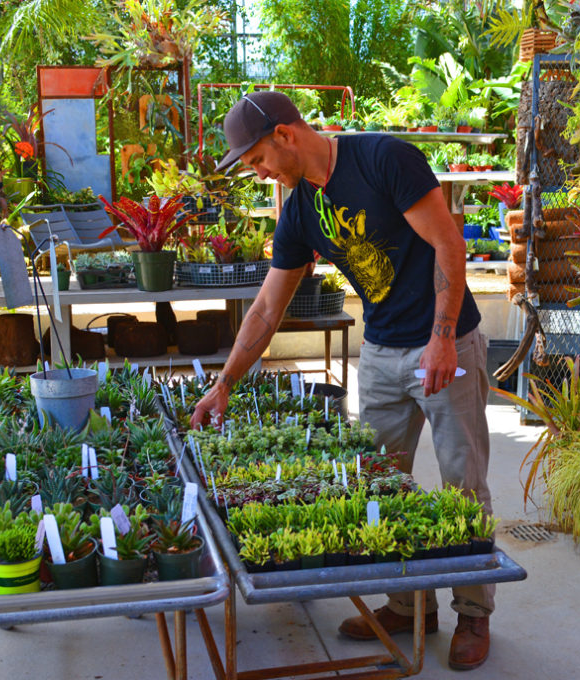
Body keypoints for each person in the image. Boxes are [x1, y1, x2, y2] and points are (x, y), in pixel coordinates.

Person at [191, 91, 494, 670]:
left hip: (444, 339)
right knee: (376, 481)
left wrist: (443, 335)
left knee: (463, 481)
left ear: (285, 135)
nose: (259, 174)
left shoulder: (383, 159)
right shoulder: (299, 210)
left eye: (257, 160)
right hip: (380, 350)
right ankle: (407, 608)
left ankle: (473, 613)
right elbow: (266, 308)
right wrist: (225, 382)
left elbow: (448, 243)